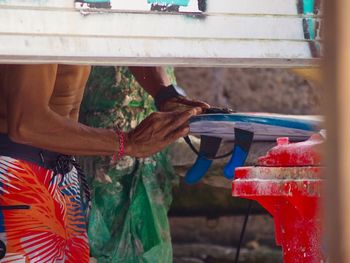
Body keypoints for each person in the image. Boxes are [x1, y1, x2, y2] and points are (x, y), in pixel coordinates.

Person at [0, 64, 209, 262]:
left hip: (62, 171)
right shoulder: (41, 26)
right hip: (16, 171)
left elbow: (125, 37)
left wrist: (165, 94)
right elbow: (26, 124)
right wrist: (127, 142)